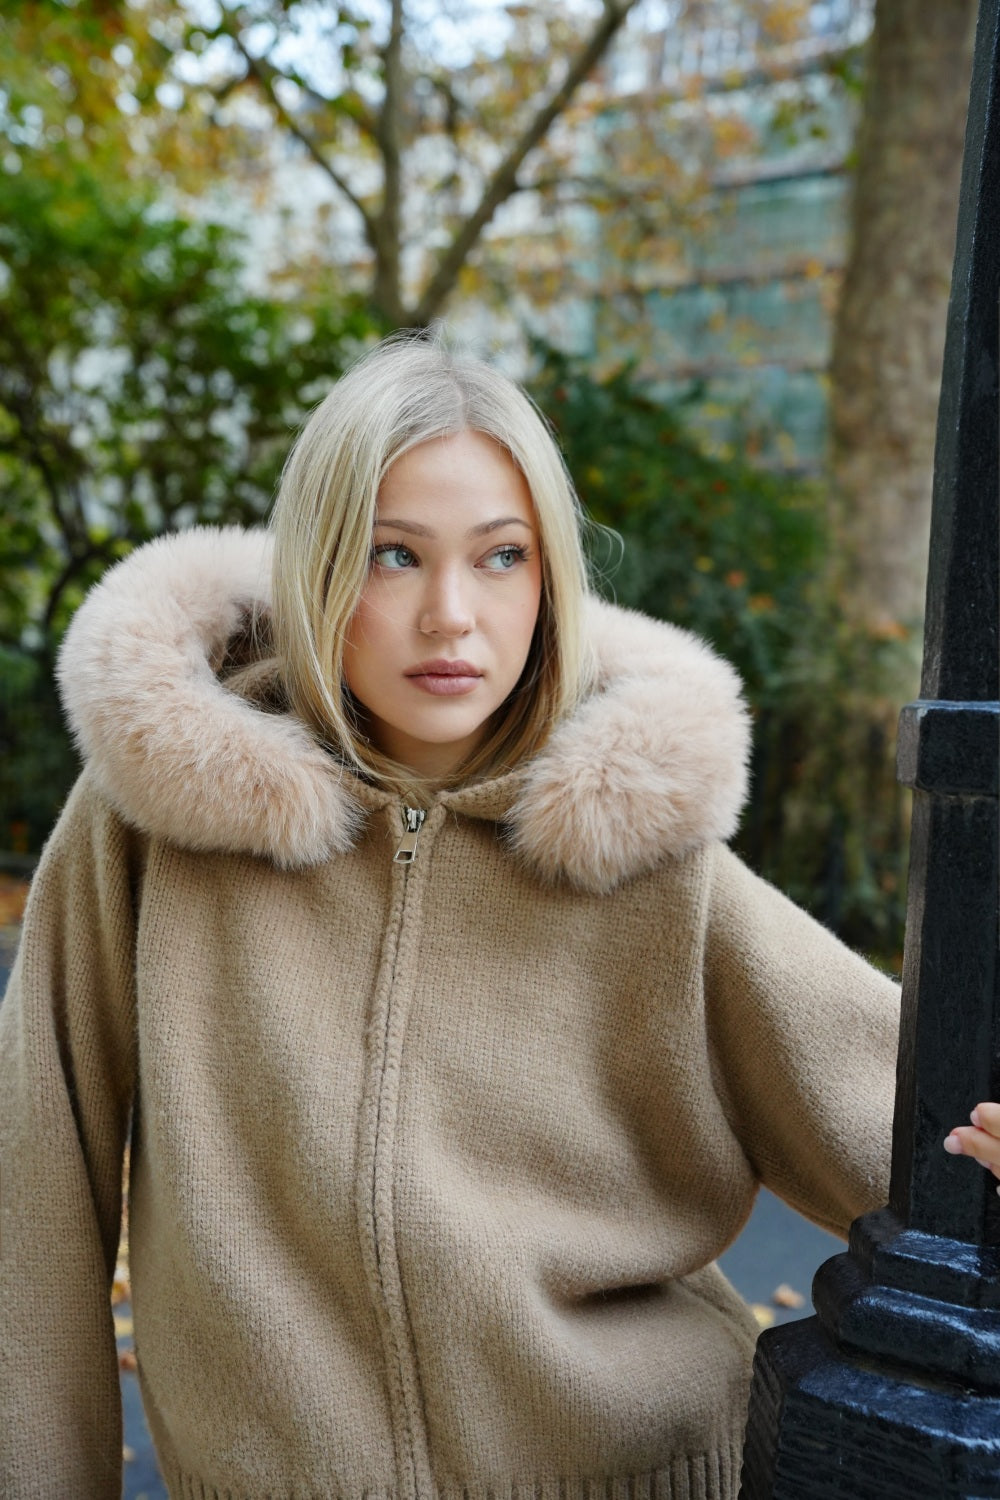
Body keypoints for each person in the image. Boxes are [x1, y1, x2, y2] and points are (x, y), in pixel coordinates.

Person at [1, 332, 996, 1500]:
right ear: (319, 563)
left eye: (501, 557)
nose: (450, 617)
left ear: (549, 578)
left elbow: (921, 1125)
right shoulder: (154, 820)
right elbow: (35, 1199)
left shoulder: (638, 843)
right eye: (392, 556)